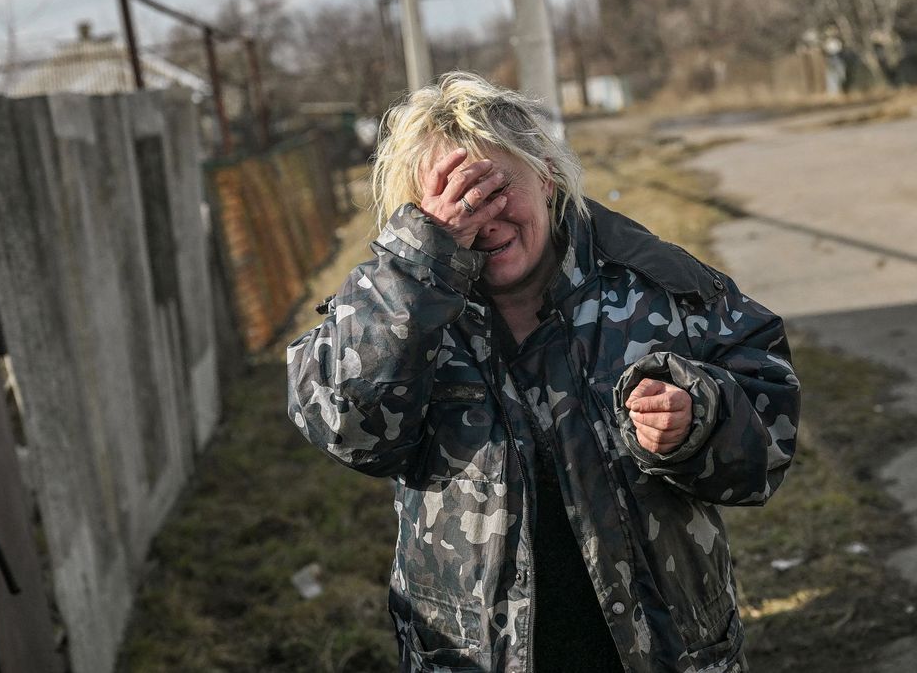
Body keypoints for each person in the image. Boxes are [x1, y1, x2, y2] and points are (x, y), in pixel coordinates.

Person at [286, 72, 800, 673]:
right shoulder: (395, 306)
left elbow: (769, 423)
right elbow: (347, 429)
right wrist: (423, 264)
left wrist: (699, 419)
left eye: (496, 188)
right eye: (455, 200)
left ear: (548, 176)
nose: (483, 220)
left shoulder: (651, 285)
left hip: (665, 651)